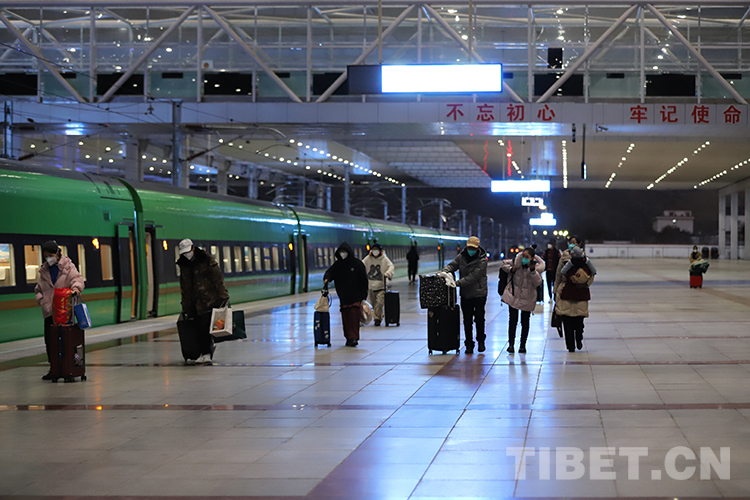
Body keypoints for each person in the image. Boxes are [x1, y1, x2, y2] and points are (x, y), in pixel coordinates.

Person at [34, 241, 85, 380]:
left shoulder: (68, 266)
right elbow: (38, 289)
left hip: (64, 312)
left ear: (57, 253)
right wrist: (42, 300)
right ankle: (54, 369)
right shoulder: (44, 270)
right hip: (49, 312)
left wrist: (76, 289)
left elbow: (77, 279)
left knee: (66, 342)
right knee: (50, 342)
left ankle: (68, 368)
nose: (48, 258)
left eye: (50, 255)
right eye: (46, 256)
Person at [177, 239, 229, 365]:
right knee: (196, 328)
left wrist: (223, 296)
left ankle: (206, 353)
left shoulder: (206, 260)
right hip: (193, 302)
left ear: (193, 248)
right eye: (184, 253)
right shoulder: (183, 264)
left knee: (204, 326)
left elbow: (217, 279)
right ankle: (203, 351)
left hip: (208, 300)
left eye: (188, 251)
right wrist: (185, 306)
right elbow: (184, 287)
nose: (187, 255)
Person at [441, 236, 488, 354]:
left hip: (479, 293)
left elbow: (473, 277)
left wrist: (457, 283)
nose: (471, 250)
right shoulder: (461, 256)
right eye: (469, 248)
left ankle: (481, 341)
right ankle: (469, 344)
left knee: (479, 319)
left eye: (473, 248)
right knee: (467, 320)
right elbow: (452, 265)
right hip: (466, 294)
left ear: (478, 248)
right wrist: (445, 272)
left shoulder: (482, 260)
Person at [324, 242, 369, 346]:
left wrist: (363, 296)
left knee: (354, 318)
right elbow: (330, 272)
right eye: (341, 252)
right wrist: (327, 278)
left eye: (344, 252)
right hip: (343, 297)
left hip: (356, 297)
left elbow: (364, 280)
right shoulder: (337, 265)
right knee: (346, 319)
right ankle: (348, 337)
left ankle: (353, 337)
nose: (343, 254)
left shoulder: (357, 264)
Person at [500, 247, 544, 354]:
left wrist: (532, 271)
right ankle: (511, 344)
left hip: (527, 297)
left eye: (527, 257)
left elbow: (538, 282)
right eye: (523, 256)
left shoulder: (536, 268)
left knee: (525, 322)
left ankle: (523, 345)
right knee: (512, 320)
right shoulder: (516, 263)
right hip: (514, 295)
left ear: (532, 258)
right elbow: (503, 265)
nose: (524, 258)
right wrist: (512, 269)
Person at [555, 245, 595, 353]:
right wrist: (556, 291)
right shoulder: (565, 261)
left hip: (580, 294)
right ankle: (570, 346)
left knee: (579, 323)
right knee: (567, 322)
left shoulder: (586, 262)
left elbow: (592, 275)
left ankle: (578, 338)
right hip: (567, 294)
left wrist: (585, 284)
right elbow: (559, 275)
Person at [362, 244, 394, 327]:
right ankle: (378, 315)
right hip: (371, 286)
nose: (375, 251)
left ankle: (377, 319)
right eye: (373, 249)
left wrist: (387, 273)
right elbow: (361, 265)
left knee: (379, 303)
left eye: (376, 249)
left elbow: (391, 267)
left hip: (381, 286)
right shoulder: (368, 259)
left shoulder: (384, 259)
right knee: (373, 304)